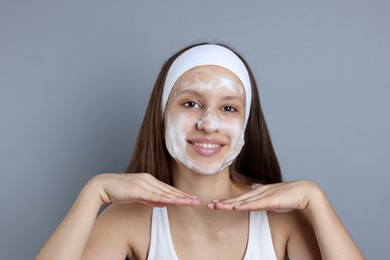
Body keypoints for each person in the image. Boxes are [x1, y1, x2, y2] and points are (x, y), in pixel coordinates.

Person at [37, 43, 364, 260]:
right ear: (163, 119)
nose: (209, 123)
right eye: (191, 103)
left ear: (246, 127)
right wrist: (93, 192)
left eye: (229, 108)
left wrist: (315, 200)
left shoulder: (282, 221)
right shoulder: (130, 219)